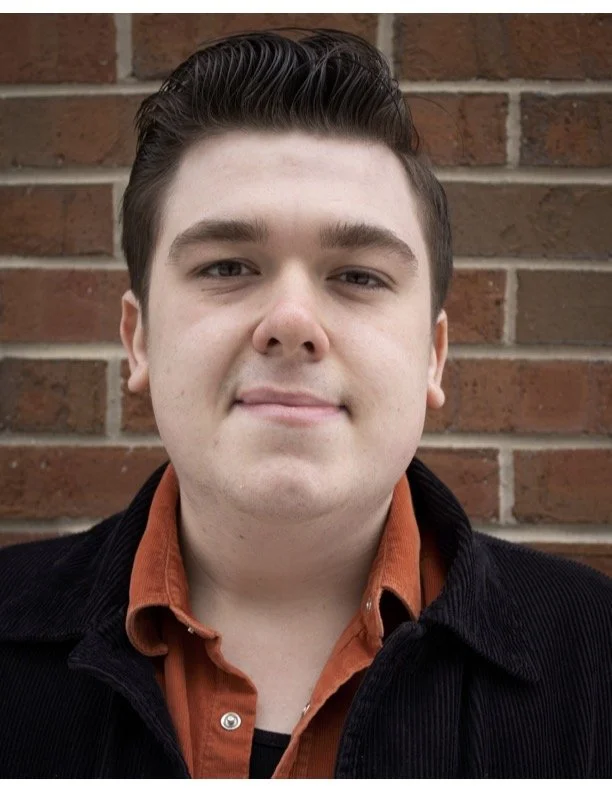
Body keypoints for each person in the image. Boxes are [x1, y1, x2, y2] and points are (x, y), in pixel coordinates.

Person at [0, 28, 610, 780]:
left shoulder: (597, 659)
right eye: (228, 266)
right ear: (140, 340)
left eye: (357, 276)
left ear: (433, 355)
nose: (291, 322)